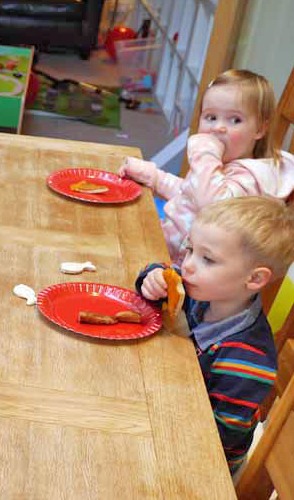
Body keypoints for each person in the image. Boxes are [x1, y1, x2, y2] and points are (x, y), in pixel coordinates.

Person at [135, 196, 294, 473]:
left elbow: (219, 439)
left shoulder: (247, 360)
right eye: (190, 249)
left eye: (207, 259)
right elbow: (160, 272)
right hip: (169, 400)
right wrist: (153, 280)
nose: (188, 265)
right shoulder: (202, 292)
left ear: (254, 279)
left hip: (203, 461)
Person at [119, 69, 294, 266]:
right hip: (165, 246)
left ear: (260, 129)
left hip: (188, 271)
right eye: (211, 117)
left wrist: (205, 155)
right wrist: (154, 178)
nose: (218, 127)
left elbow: (212, 208)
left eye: (235, 120)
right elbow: (190, 194)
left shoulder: (252, 178)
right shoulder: (217, 166)